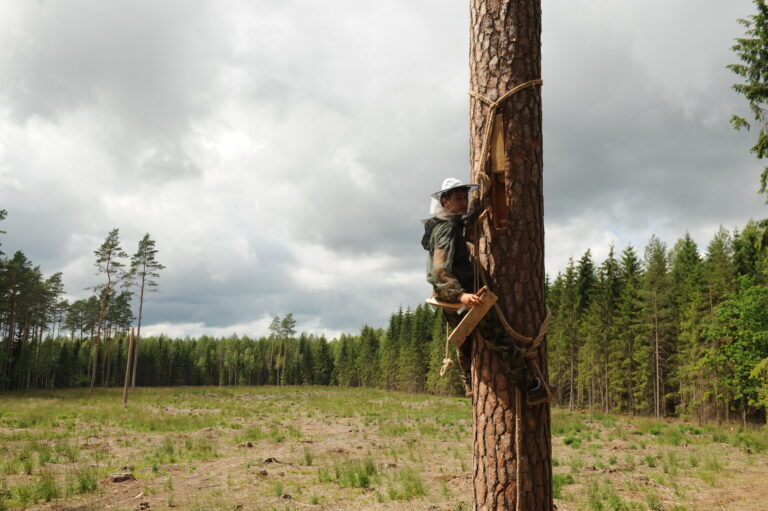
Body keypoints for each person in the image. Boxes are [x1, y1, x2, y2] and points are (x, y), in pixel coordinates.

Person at [422, 177, 548, 404]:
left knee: (464, 340)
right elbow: (439, 269)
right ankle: (532, 388)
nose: (464, 202)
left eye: (465, 197)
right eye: (458, 198)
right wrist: (461, 294)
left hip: (449, 295)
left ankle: (469, 384)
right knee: (498, 339)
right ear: (445, 201)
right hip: (459, 294)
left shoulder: (447, 223)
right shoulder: (446, 229)